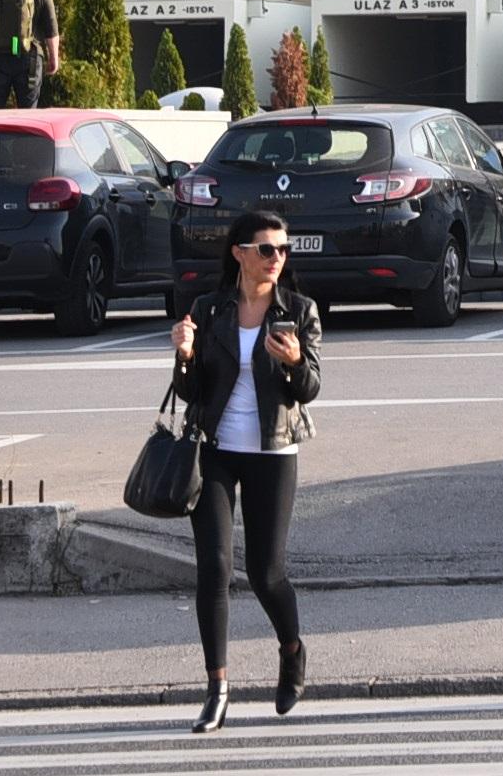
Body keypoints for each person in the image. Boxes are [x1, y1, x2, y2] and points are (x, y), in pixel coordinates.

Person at [171, 209, 323, 735]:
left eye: (283, 250)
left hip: (272, 451)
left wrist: (295, 360)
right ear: (239, 252)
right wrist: (185, 356)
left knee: (266, 573)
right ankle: (217, 690)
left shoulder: (299, 311)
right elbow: (190, 392)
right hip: (214, 450)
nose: (276, 258)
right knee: (213, 568)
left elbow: (308, 391)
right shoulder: (208, 309)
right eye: (266, 249)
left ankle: (292, 648)